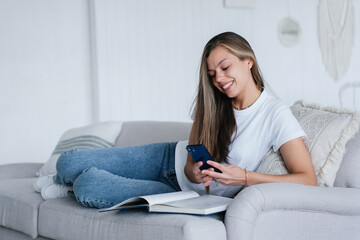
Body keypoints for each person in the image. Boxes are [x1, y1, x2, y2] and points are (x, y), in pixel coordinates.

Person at [36, 31, 316, 208]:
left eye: (225, 67)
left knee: (90, 186)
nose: (219, 78)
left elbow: (307, 180)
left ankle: (68, 187)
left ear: (249, 61)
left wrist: (244, 178)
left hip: (184, 195)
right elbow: (191, 157)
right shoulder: (214, 102)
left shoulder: (275, 113)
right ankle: (64, 179)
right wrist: (192, 169)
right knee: (69, 161)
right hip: (165, 157)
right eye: (212, 73)